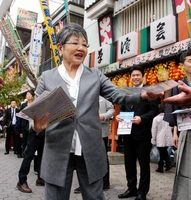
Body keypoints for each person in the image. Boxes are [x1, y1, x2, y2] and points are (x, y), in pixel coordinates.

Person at [30, 23, 162, 200]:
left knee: (94, 196)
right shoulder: (47, 77)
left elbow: (117, 93)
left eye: (85, 44)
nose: (81, 48)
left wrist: (143, 94)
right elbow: (35, 113)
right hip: (57, 148)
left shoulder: (95, 75)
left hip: (89, 148)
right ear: (60, 48)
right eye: (75, 43)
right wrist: (36, 126)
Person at [116, 66, 158, 200]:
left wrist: (142, 119)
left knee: (144, 165)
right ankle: (131, 189)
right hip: (127, 134)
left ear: (143, 77)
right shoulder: (126, 92)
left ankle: (142, 192)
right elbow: (123, 109)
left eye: (138, 75)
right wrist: (119, 117)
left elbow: (154, 111)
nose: (135, 77)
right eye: (133, 75)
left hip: (142, 135)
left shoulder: (150, 92)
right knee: (129, 163)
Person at [163, 50, 191, 200]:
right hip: (185, 130)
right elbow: (176, 112)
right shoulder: (178, 86)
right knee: (185, 168)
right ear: (183, 65)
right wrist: (174, 133)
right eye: (190, 61)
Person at [74, 96, 114, 193]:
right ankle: (85, 183)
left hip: (101, 132)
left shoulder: (104, 97)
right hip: (85, 131)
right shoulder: (83, 95)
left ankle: (105, 182)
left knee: (102, 157)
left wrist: (104, 116)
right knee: (84, 158)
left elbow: (111, 110)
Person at [16, 91, 45, 193]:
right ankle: (21, 181)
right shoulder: (33, 104)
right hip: (33, 133)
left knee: (42, 156)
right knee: (28, 156)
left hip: (44, 133)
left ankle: (40, 178)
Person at [151, 105, 173, 173]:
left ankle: (161, 167)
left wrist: (153, 140)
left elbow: (154, 130)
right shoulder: (169, 117)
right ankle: (168, 164)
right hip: (168, 137)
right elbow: (172, 127)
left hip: (159, 137)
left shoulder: (156, 119)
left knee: (161, 152)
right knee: (164, 152)